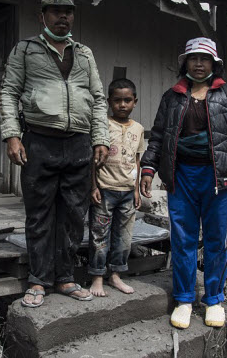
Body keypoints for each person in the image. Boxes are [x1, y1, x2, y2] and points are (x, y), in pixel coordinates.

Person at [139, 37, 227, 329]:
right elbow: (158, 136)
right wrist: (148, 167)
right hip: (181, 175)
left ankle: (214, 299)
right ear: (185, 63)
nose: (198, 64)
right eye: (193, 59)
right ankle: (184, 299)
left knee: (217, 239)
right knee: (183, 239)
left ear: (214, 64)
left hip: (219, 177)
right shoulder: (172, 96)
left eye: (204, 59)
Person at [0, 0, 110, 308]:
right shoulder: (26, 49)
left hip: (78, 143)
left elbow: (98, 98)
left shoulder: (84, 53)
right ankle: (38, 280)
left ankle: (65, 278)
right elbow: (9, 91)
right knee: (39, 214)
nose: (63, 17)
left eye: (68, 12)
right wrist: (12, 135)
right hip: (39, 141)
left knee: (74, 215)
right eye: (56, 11)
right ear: (42, 15)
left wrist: (100, 137)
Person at [88, 78, 145, 297]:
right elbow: (92, 159)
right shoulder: (102, 125)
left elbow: (137, 161)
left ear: (135, 102)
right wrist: (93, 186)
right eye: (117, 100)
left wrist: (137, 189)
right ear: (109, 102)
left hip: (128, 192)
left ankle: (115, 275)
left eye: (127, 100)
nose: (122, 105)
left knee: (123, 237)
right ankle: (97, 277)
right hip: (104, 190)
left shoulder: (138, 129)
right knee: (99, 236)